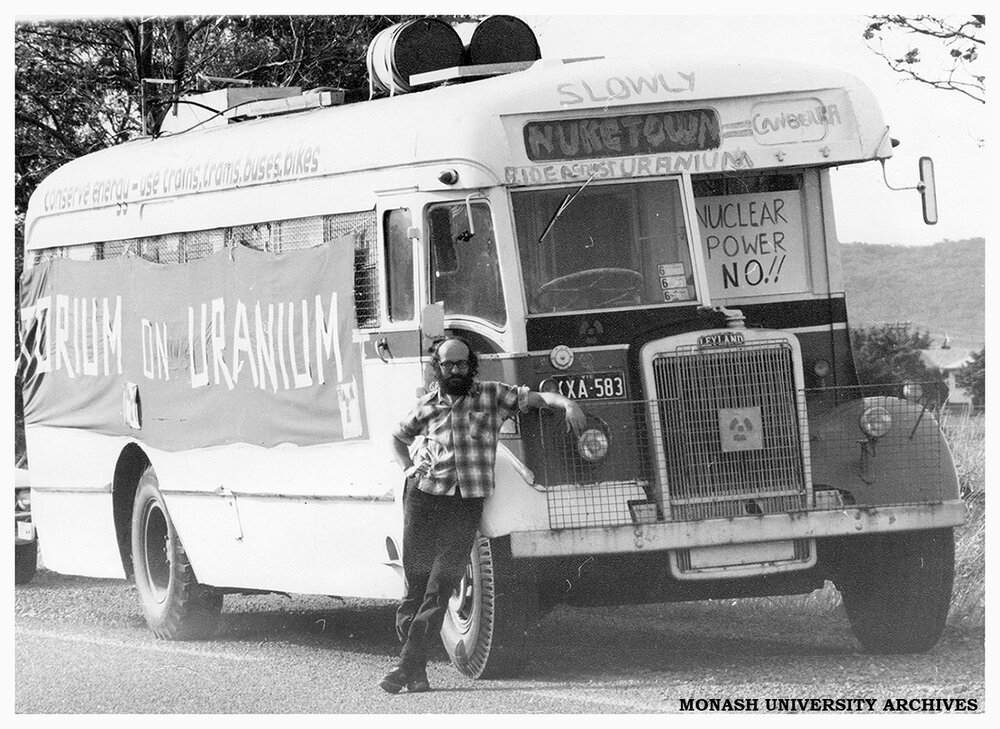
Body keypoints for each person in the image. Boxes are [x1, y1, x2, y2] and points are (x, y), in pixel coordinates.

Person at [379, 336, 586, 694]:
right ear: (438, 368)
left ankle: (406, 667)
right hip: (424, 499)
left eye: (461, 364)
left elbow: (537, 398)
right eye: (448, 365)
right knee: (415, 589)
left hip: (465, 504)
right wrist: (409, 469)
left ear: (471, 365)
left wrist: (567, 403)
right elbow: (397, 438)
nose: (455, 370)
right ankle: (415, 669)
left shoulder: (492, 395)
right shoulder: (427, 405)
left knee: (441, 587)